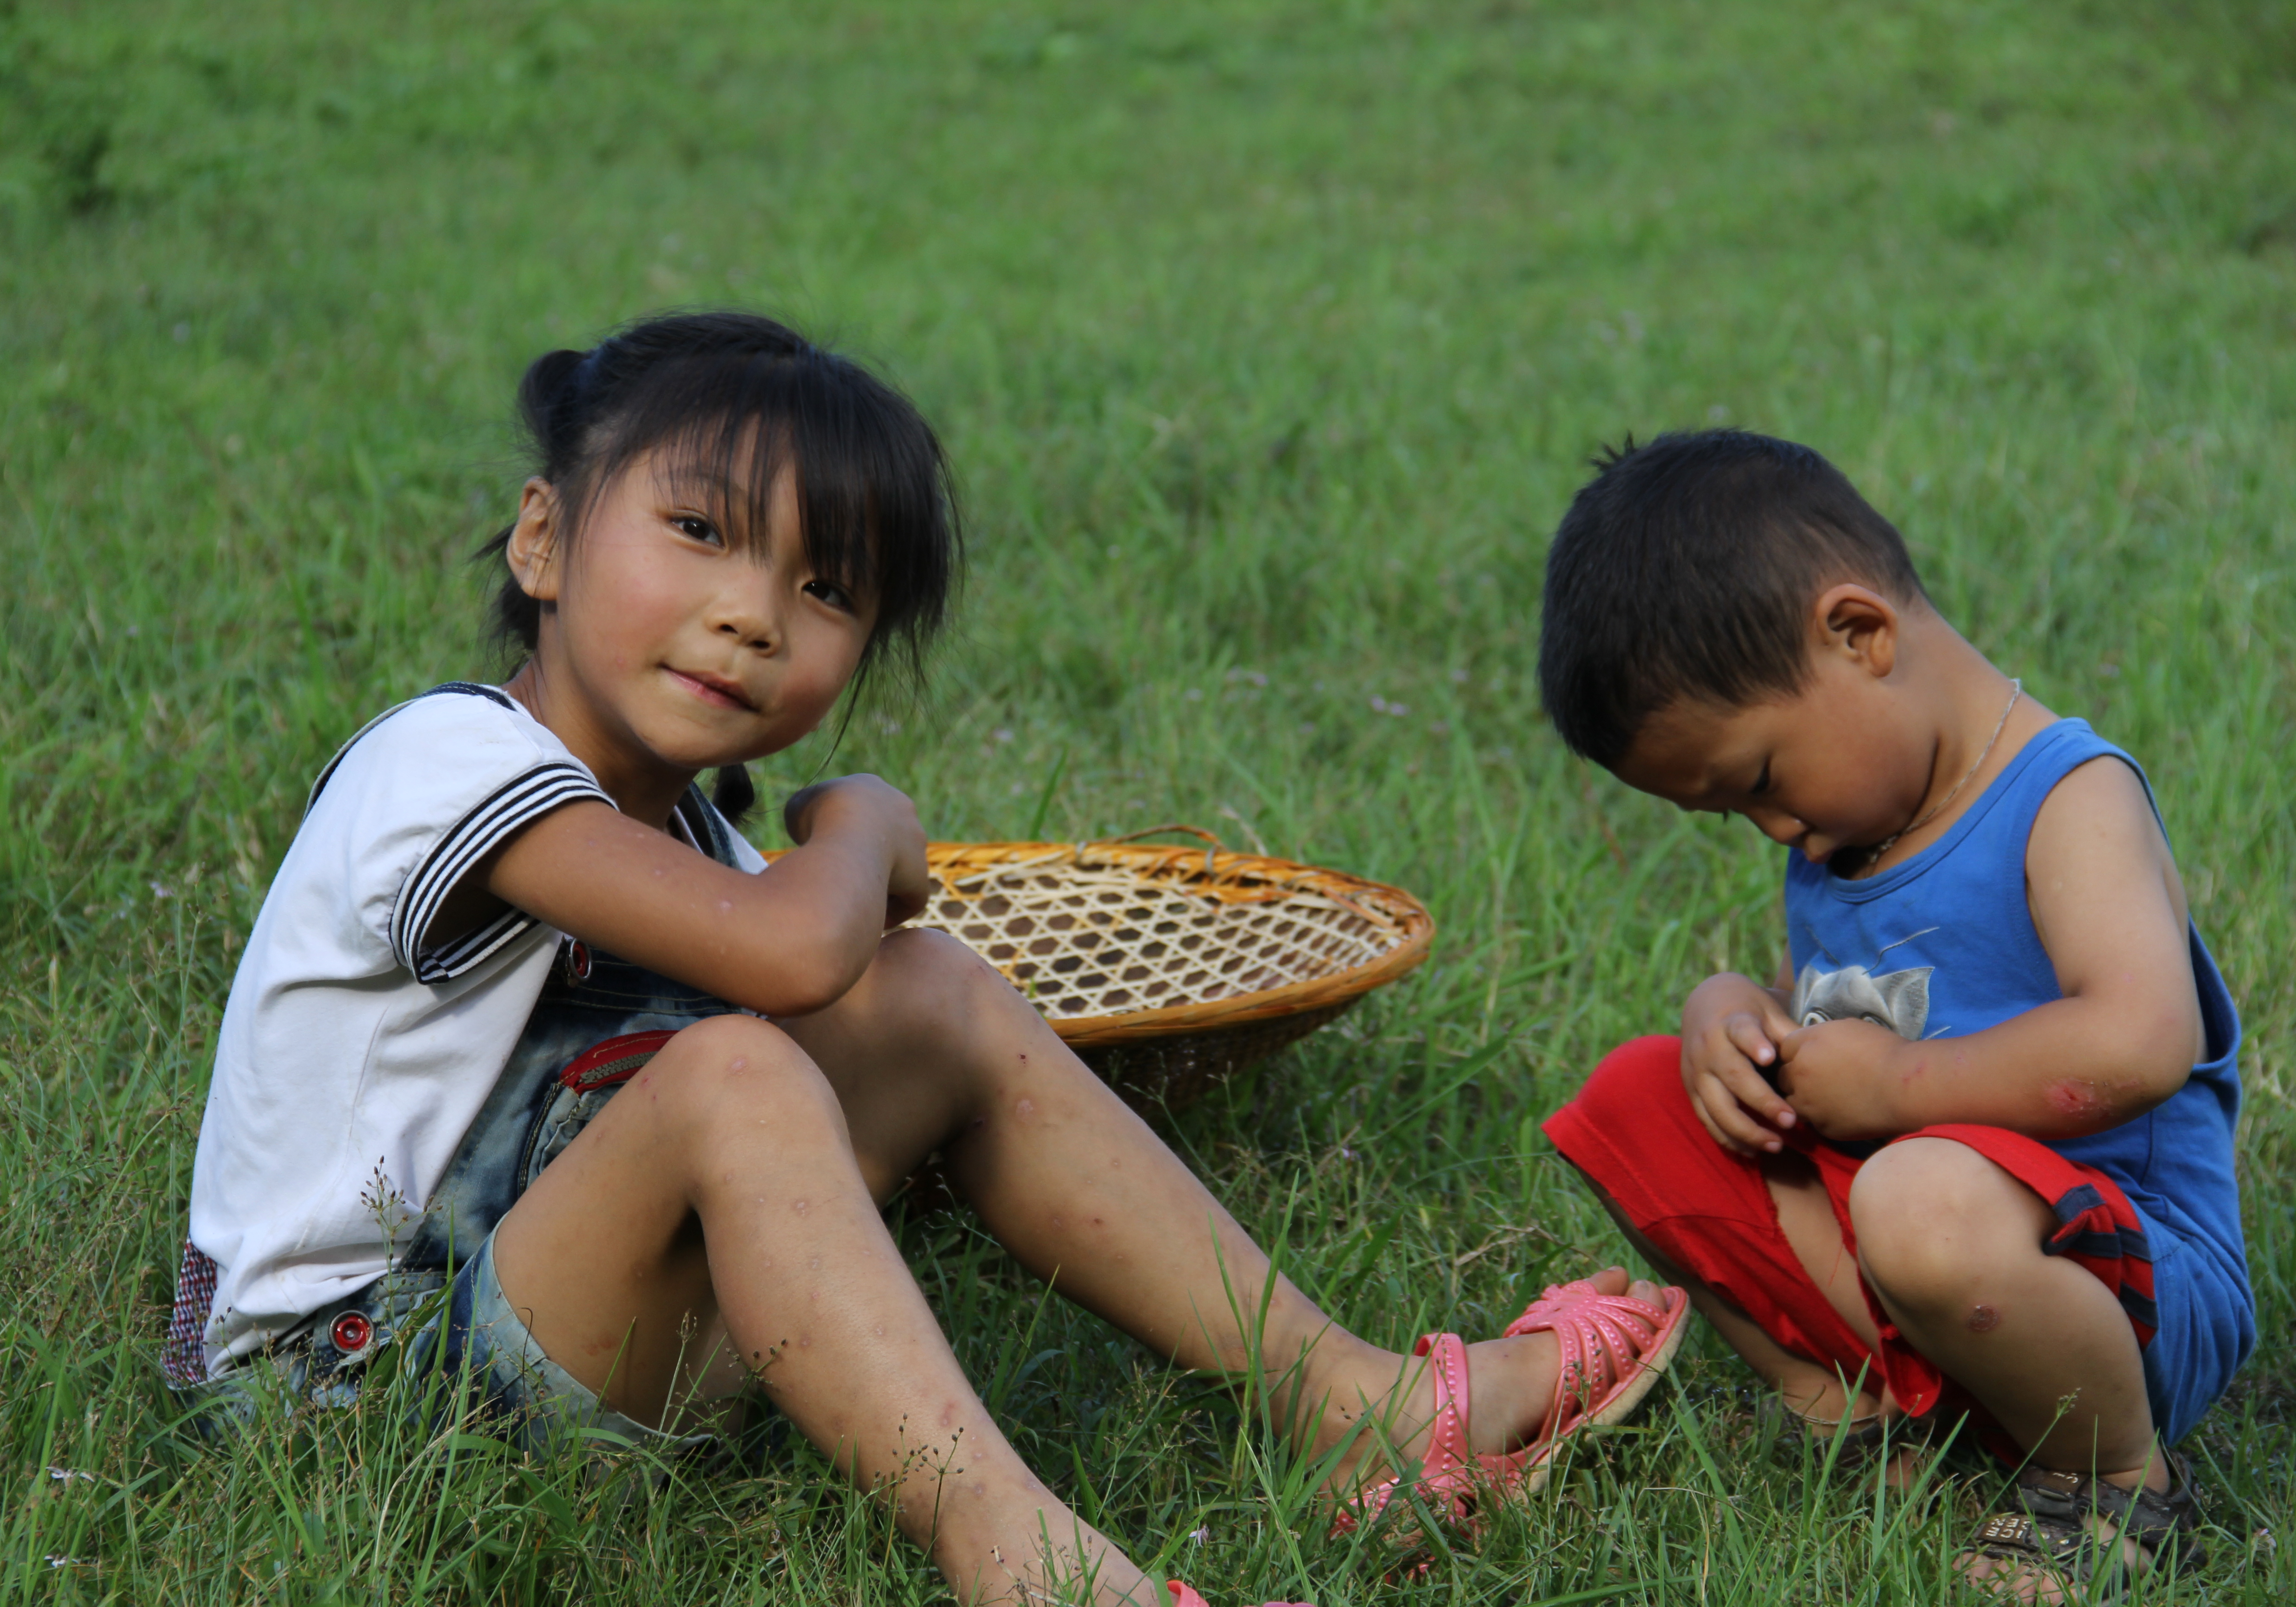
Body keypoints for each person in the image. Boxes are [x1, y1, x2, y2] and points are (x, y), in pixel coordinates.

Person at [162, 310, 1686, 1607]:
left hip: (545, 1335)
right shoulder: (444, 760)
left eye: (827, 588)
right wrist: (873, 822)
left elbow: (844, 970)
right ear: (544, 538)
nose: (751, 613)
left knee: (934, 997)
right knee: (744, 1063)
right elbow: (805, 946)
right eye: (698, 531)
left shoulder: (703, 847)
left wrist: (854, 890)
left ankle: (1353, 1401)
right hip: (342, 1396)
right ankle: (1023, 1562)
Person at [1533, 430, 2250, 1600]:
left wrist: (1895, 1095)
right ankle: (1859, 1415)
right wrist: (1737, 1013)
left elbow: (2140, 1043)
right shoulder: (1846, 830)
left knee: (1921, 1195)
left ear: (1859, 634)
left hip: (2130, 1293)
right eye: (1731, 815)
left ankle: (2116, 1478)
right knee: (1637, 1095)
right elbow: (1835, 1022)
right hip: (1925, 1244)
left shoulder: (2068, 798)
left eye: (1758, 781)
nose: (1772, 832)